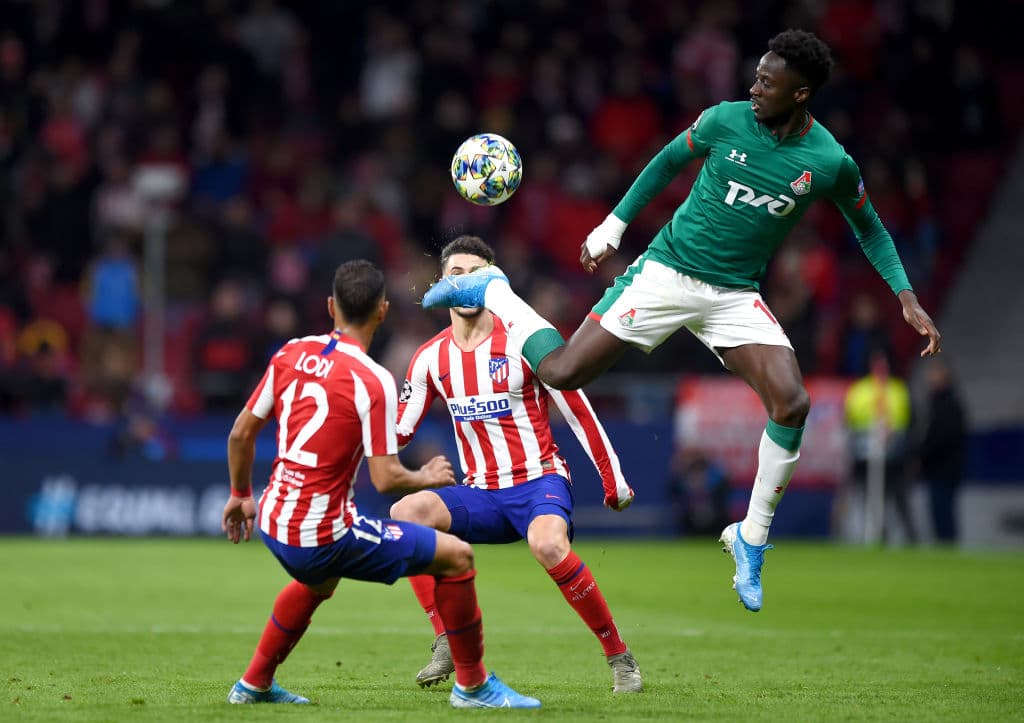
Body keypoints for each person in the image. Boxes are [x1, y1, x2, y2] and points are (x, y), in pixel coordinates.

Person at [421, 29, 942, 612]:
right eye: (757, 74)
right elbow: (668, 160)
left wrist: (905, 294)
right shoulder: (725, 120)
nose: (755, 86)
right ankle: (498, 290)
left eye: (769, 82)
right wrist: (614, 226)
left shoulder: (828, 162)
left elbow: (867, 225)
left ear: (801, 95)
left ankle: (751, 537)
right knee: (564, 372)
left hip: (733, 295)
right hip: (665, 273)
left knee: (792, 403)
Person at [221, 259, 540, 709]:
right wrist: (424, 476)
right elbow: (385, 477)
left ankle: (253, 684)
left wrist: (239, 495)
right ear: (383, 311)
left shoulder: (289, 353)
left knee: (320, 581)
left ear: (331, 306)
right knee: (457, 556)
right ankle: (473, 687)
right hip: (321, 532)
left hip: (273, 516)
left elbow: (240, 434)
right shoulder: (373, 381)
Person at [392, 235, 641, 693]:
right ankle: (445, 639)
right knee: (406, 513)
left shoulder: (525, 341)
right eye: (456, 275)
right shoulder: (430, 357)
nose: (465, 283)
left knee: (548, 545)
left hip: (537, 482)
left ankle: (619, 655)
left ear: (494, 282)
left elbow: (578, 409)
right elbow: (399, 432)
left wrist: (614, 479)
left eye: (476, 274)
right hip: (480, 495)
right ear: (443, 285)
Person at [841, 348, 916, 544]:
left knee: (898, 496)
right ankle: (871, 532)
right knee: (865, 496)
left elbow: (905, 417)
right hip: (865, 455)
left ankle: (909, 536)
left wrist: (891, 428)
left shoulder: (897, 389)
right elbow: (852, 416)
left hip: (893, 455)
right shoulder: (860, 389)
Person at [916, 359, 967, 543]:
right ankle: (945, 545)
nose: (929, 378)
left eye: (934, 374)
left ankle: (947, 545)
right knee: (939, 512)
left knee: (943, 511)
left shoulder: (948, 405)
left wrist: (924, 455)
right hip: (939, 468)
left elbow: (943, 438)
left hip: (944, 469)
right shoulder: (937, 402)